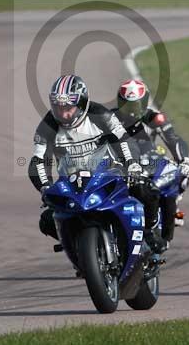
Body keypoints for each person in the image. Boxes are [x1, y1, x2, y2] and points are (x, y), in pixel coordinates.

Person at [28, 74, 168, 253]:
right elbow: (38, 160)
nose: (63, 114)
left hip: (109, 172)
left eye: (68, 108)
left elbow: (122, 139)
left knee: (145, 190)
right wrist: (45, 187)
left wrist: (132, 165)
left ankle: (149, 231)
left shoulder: (100, 114)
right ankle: (79, 247)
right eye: (58, 107)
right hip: (72, 182)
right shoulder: (47, 126)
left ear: (81, 104)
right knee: (47, 220)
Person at [112, 79, 189, 244]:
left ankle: (166, 229)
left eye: (135, 105)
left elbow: (173, 139)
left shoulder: (155, 118)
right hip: (120, 166)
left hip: (150, 164)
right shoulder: (111, 119)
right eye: (127, 105)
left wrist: (184, 160)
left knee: (177, 176)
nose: (131, 111)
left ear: (143, 103)